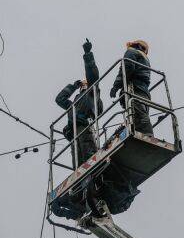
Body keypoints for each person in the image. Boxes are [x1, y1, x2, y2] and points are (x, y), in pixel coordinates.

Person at [55, 39, 103, 168]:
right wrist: (74, 86)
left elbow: (93, 74)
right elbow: (60, 99)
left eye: (84, 84)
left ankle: (94, 173)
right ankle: (82, 183)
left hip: (84, 127)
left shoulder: (92, 93)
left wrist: (88, 54)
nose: (83, 85)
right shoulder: (75, 102)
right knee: (77, 164)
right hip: (73, 131)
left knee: (89, 157)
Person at [109, 40, 154, 136]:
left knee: (138, 114)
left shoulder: (132, 52)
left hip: (135, 88)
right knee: (140, 114)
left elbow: (127, 68)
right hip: (144, 90)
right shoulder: (145, 58)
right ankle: (143, 133)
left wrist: (116, 86)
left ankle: (146, 135)